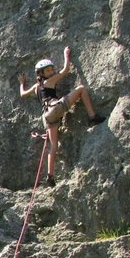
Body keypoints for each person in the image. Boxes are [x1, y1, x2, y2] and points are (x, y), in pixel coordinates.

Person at [18, 46, 105, 186]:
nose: (52, 72)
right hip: (55, 108)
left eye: (52, 69)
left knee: (53, 146)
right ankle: (92, 116)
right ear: (41, 73)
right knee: (81, 89)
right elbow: (65, 70)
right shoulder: (49, 81)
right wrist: (66, 55)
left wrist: (22, 84)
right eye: (48, 70)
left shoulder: (36, 86)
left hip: (46, 117)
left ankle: (50, 176)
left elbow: (23, 94)